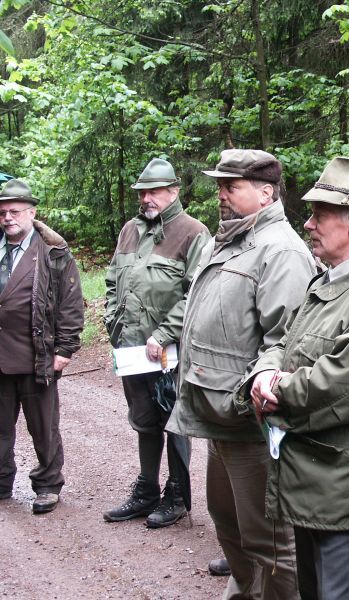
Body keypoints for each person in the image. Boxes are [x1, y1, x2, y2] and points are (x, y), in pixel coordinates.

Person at [242, 156, 349, 600]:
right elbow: (284, 340)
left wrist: (276, 391)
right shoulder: (326, 283)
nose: (309, 223)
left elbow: (344, 386)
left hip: (348, 492)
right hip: (314, 484)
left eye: (320, 214)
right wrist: (265, 371)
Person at [167, 149, 316, 600]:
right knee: (228, 524)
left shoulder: (281, 251)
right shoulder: (230, 239)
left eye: (231, 186)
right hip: (219, 416)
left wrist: (250, 396)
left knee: (268, 542)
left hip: (252, 424)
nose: (221, 194)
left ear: (266, 193)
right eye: (219, 185)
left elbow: (286, 343)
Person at [103, 158, 209, 528]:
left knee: (174, 421)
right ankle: (146, 490)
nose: (146, 198)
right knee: (144, 420)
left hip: (170, 353)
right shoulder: (130, 230)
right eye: (142, 192)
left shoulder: (193, 232)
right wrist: (112, 322)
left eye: (154, 191)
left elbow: (195, 293)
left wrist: (163, 335)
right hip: (132, 349)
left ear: (174, 191)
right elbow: (113, 280)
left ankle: (177, 496)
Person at [0, 179, 84, 514]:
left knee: (44, 428)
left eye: (15, 211)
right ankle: (2, 481)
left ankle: (48, 486)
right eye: (2, 212)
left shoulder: (53, 252)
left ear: (32, 213)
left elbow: (70, 303)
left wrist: (64, 349)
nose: (8, 217)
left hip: (38, 355)